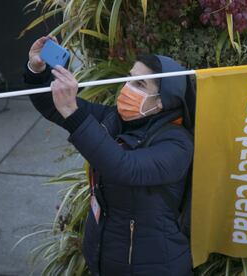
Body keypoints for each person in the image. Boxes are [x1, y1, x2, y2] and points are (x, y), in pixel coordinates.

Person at [24, 35, 195, 276]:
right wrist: (37, 68)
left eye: (140, 85)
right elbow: (51, 104)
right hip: (107, 259)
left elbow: (124, 167)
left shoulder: (177, 144)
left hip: (157, 265)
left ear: (161, 103)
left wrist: (74, 113)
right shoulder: (116, 118)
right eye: (130, 78)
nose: (128, 88)